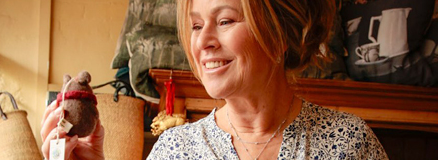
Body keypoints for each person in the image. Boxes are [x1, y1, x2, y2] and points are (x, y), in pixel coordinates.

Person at [41, 0, 388, 159]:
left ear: (279, 34)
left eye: (224, 21)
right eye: (195, 25)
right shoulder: (175, 151)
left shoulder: (348, 144)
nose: (202, 41)